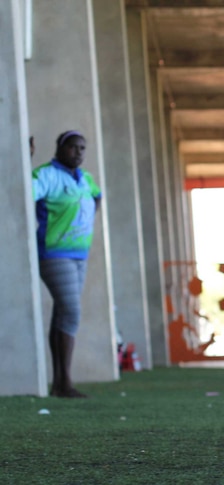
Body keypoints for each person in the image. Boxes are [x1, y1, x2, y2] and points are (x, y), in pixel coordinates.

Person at [32, 130, 102, 398]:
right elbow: (24, 192)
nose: (79, 152)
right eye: (73, 147)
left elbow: (97, 195)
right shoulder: (45, 175)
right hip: (53, 253)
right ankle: (66, 382)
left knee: (62, 313)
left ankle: (59, 383)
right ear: (60, 148)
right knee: (71, 311)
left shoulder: (86, 179)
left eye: (83, 148)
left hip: (79, 256)